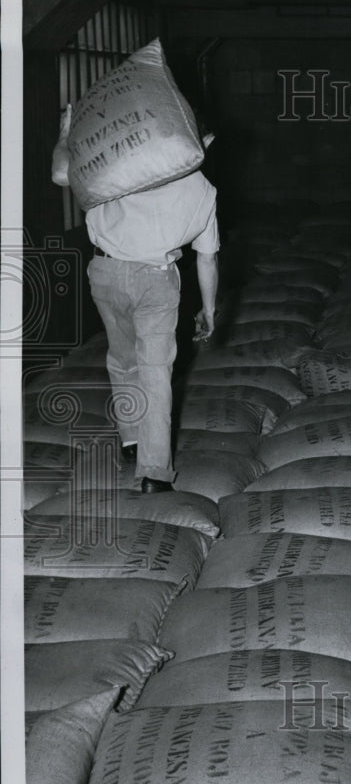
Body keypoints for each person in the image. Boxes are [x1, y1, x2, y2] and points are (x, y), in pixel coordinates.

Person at [51, 104, 220, 493]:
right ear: (205, 142)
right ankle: (154, 473)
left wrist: (65, 134)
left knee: (123, 359)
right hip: (156, 281)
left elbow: (61, 173)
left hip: (105, 274)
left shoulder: (124, 159)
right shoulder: (203, 190)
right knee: (155, 371)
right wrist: (209, 309)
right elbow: (207, 258)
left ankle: (130, 440)